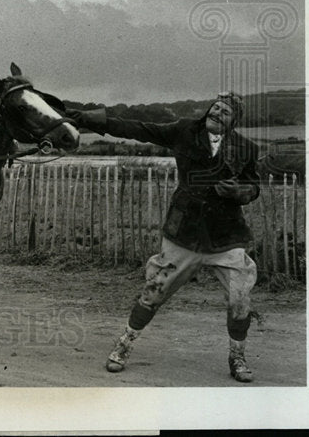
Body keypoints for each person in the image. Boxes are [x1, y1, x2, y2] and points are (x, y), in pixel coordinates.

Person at [66, 92, 261, 383]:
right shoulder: (183, 131)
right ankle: (124, 345)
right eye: (215, 107)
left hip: (226, 236)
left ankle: (237, 356)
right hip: (184, 232)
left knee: (240, 298)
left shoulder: (246, 148)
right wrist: (93, 119)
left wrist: (239, 192)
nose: (218, 113)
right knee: (154, 290)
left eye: (226, 112)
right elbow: (140, 128)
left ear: (234, 122)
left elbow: (253, 186)